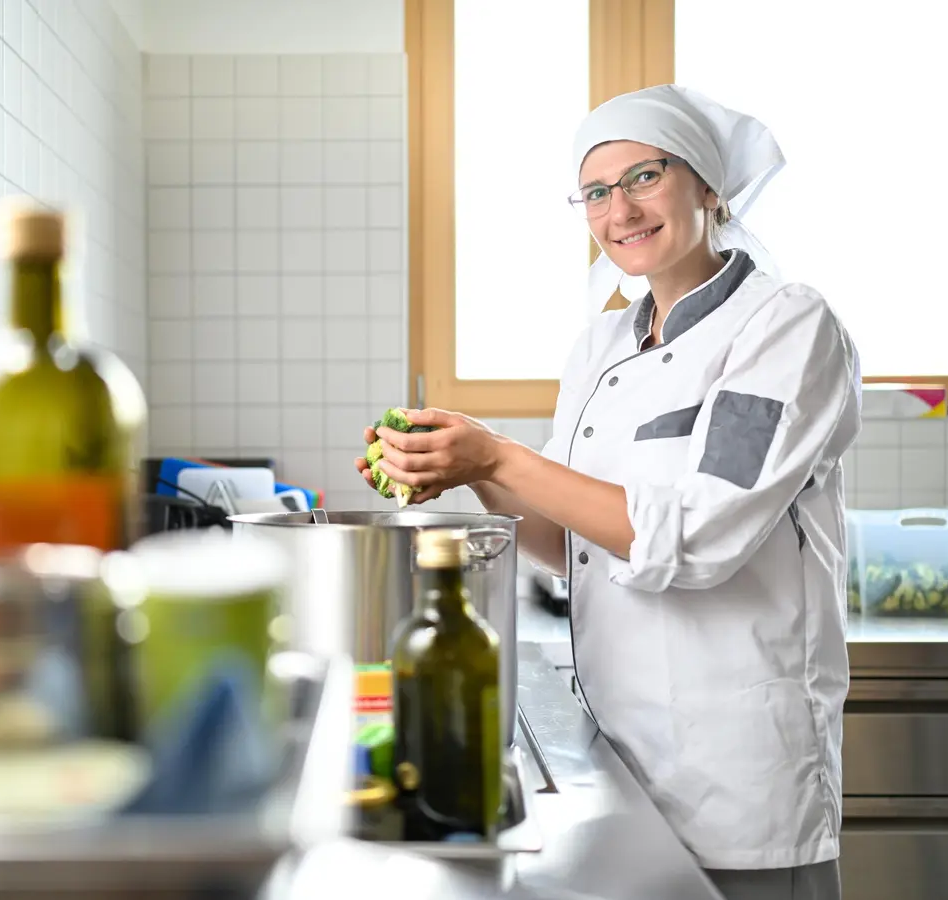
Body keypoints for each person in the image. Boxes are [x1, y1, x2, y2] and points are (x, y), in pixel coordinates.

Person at [355, 84, 861, 900]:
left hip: (737, 768)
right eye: (596, 192)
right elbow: (568, 543)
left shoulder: (784, 327)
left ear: (708, 187)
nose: (619, 209)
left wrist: (499, 453)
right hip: (619, 752)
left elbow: (694, 539)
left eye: (644, 177)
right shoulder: (601, 344)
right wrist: (474, 468)